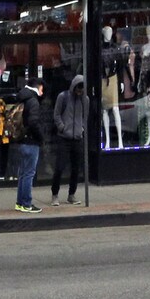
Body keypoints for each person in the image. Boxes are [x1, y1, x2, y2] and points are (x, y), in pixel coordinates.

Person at [9, 72, 52, 214]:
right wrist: (41, 137)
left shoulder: (23, 98)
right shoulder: (33, 101)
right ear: (38, 87)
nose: (42, 92)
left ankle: (20, 203)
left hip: (22, 140)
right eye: (42, 89)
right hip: (31, 141)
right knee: (29, 174)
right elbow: (33, 122)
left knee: (23, 173)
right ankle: (26, 203)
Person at [51, 73, 89, 204]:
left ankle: (71, 194)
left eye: (82, 90)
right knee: (60, 167)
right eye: (78, 89)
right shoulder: (63, 97)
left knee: (76, 168)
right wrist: (62, 128)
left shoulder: (85, 100)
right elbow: (56, 115)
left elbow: (85, 116)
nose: (80, 92)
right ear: (74, 87)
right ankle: (55, 194)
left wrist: (81, 128)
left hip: (77, 138)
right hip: (64, 138)